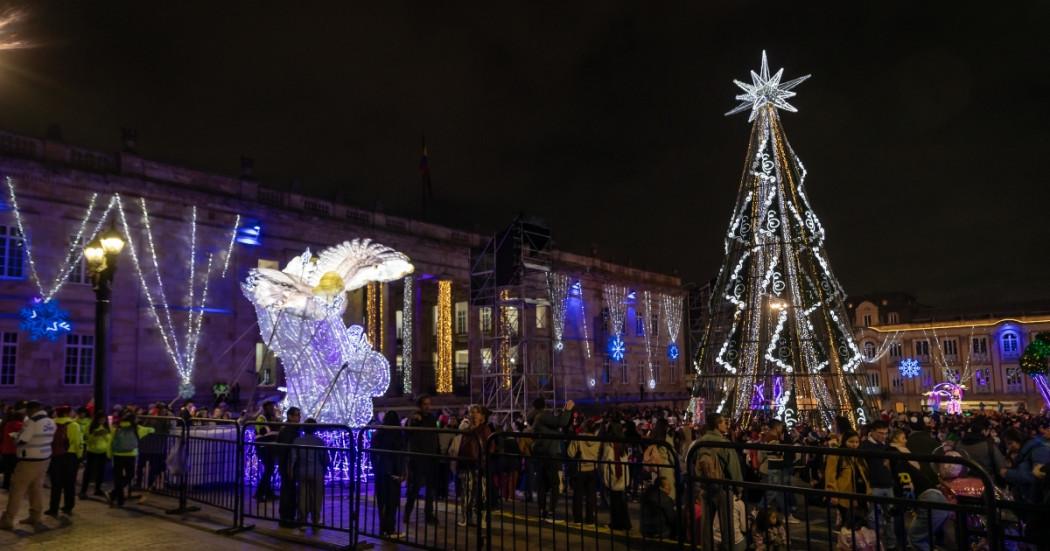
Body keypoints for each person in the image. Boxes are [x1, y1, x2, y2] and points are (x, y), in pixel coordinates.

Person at [1, 401, 56, 530]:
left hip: (29, 460)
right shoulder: (50, 421)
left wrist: (16, 437)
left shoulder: (32, 422)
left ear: (32, 410)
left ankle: (7, 520)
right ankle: (35, 516)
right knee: (36, 488)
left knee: (17, 490)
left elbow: (22, 441)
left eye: (28, 410)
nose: (26, 412)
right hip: (44, 459)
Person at [696, 412, 743, 550]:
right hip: (723, 486)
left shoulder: (700, 442)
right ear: (717, 425)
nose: (726, 425)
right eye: (723, 422)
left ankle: (707, 547)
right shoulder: (723, 443)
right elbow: (733, 468)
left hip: (706, 486)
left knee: (706, 524)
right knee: (726, 524)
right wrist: (739, 488)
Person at [528, 397, 575, 521]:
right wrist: (568, 410)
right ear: (544, 406)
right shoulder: (542, 416)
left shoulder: (536, 418)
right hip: (551, 454)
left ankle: (542, 510)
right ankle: (550, 511)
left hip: (542, 454)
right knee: (555, 484)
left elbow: (557, 423)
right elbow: (561, 422)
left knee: (542, 484)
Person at [860, 420, 898, 550]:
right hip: (874, 485)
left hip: (888, 484)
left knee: (890, 517)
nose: (883, 436)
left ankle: (891, 544)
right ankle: (876, 543)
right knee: (874, 518)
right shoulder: (865, 446)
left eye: (886, 433)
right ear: (872, 432)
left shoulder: (886, 445)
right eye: (880, 433)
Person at [404, 395, 441, 526]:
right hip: (418, 457)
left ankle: (429, 515)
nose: (427, 406)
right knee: (415, 487)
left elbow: (434, 436)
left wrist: (437, 452)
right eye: (425, 404)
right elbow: (408, 434)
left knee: (430, 489)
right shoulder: (414, 418)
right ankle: (407, 514)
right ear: (420, 405)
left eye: (429, 403)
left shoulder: (431, 418)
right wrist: (414, 421)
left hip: (430, 457)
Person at [456, 405, 493, 527]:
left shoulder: (485, 429)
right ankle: (466, 517)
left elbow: (490, 446)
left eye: (476, 412)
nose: (474, 414)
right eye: (471, 412)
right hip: (467, 463)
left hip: (481, 464)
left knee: (482, 493)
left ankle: (482, 518)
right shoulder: (466, 428)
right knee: (467, 490)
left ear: (482, 415)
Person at [824, 431, 870, 529]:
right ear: (845, 441)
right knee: (848, 524)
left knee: (860, 524)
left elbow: (865, 475)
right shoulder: (836, 455)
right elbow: (830, 475)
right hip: (844, 494)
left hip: (861, 495)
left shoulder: (859, 456)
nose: (854, 445)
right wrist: (833, 493)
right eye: (851, 442)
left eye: (857, 442)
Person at [108, 411, 154, 508]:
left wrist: (109, 454)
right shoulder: (137, 428)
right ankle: (114, 493)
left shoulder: (116, 428)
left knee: (118, 477)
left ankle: (118, 498)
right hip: (130, 455)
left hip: (117, 455)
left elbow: (110, 441)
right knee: (130, 475)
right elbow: (151, 430)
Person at [371, 410, 406, 539]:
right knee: (392, 502)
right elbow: (399, 456)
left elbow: (373, 454)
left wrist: (376, 469)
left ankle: (383, 528)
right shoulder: (397, 435)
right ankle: (390, 529)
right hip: (392, 472)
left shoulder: (378, 434)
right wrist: (400, 472)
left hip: (380, 471)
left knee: (382, 501)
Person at [45, 405, 83, 517]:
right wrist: (79, 456)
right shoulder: (73, 425)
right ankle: (68, 506)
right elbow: (77, 442)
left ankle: (53, 508)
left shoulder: (51, 423)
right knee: (69, 483)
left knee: (56, 483)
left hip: (55, 456)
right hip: (70, 456)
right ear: (67, 413)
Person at [292, 418, 327, 531]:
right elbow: (325, 458)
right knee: (317, 497)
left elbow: (293, 458)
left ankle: (303, 521)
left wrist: (291, 471)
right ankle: (316, 520)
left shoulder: (298, 440)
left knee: (302, 496)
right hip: (317, 471)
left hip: (302, 471)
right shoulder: (320, 441)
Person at [566, 419, 600, 525]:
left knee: (578, 495)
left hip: (581, 468)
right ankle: (590, 519)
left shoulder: (579, 437)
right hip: (593, 468)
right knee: (591, 495)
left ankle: (578, 519)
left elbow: (570, 453)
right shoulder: (598, 439)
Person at [601, 421, 631, 531]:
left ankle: (616, 523)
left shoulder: (610, 446)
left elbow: (606, 462)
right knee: (622, 502)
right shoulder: (623, 444)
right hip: (623, 476)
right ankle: (625, 523)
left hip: (615, 476)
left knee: (615, 502)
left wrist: (606, 478)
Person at [277, 406, 302, 528]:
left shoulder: (289, 430)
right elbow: (288, 450)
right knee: (288, 490)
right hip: (288, 465)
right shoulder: (289, 431)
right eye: (297, 415)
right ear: (290, 416)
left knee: (288, 489)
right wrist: (289, 466)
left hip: (287, 464)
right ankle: (287, 517)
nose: (299, 418)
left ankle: (287, 516)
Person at [80, 411, 111, 498]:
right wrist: (95, 435)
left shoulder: (107, 427)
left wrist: (104, 434)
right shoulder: (90, 427)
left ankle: (97, 489)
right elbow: (87, 440)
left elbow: (109, 439)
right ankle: (83, 491)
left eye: (104, 419)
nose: (102, 421)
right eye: (100, 419)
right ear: (96, 419)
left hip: (103, 451)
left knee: (100, 471)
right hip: (92, 451)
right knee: (88, 472)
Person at [253, 401, 280, 502]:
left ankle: (268, 493)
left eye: (273, 406)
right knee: (269, 469)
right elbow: (263, 431)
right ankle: (260, 493)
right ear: (265, 408)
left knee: (270, 469)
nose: (273, 409)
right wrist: (275, 425)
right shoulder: (261, 418)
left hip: (270, 447)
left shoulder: (273, 419)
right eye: (271, 407)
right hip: (263, 446)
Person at [0, 406, 24, 491]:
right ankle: (15, 486)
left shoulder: (7, 424)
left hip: (5, 449)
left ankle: (6, 485)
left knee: (7, 470)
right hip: (15, 451)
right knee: (16, 470)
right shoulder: (21, 425)